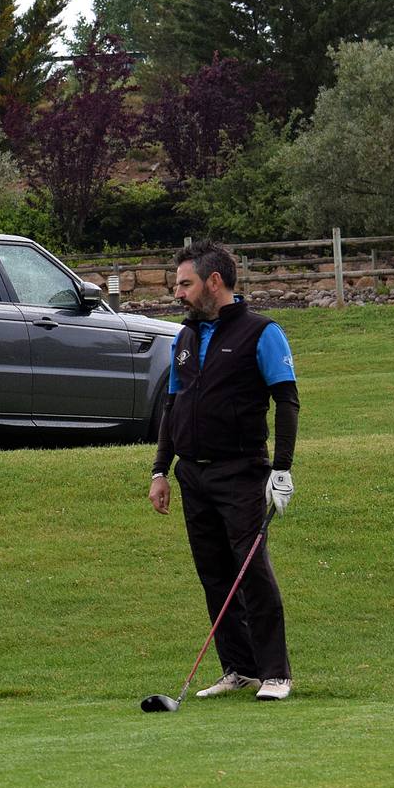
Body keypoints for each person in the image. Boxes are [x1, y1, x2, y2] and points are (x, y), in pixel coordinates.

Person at [150, 240, 300, 701]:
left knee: (251, 571)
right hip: (192, 475)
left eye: (185, 283)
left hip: (241, 473)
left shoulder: (262, 332)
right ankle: (239, 667)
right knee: (214, 574)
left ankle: (276, 673)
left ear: (214, 282)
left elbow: (287, 400)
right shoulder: (186, 336)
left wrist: (282, 469)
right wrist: (160, 470)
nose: (178, 293)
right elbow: (173, 406)